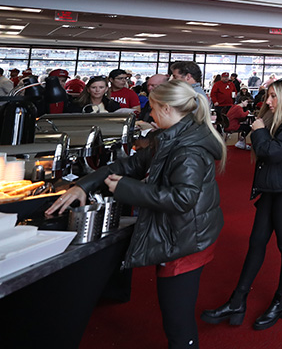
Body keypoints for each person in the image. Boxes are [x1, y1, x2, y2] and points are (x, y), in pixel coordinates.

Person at [47, 79, 225, 348]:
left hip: (186, 237)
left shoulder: (188, 148)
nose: (149, 115)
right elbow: (129, 164)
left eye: (152, 109)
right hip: (182, 231)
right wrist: (83, 186)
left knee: (177, 320)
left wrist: (126, 189)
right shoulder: (171, 136)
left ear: (166, 109)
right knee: (175, 315)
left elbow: (183, 199)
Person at [202, 78, 282, 331]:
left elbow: (273, 152)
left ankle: (281, 300)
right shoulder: (279, 117)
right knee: (256, 241)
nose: (268, 101)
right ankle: (238, 299)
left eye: (274, 96)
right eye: (268, 96)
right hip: (274, 186)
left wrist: (260, 130)